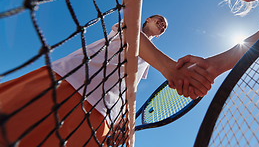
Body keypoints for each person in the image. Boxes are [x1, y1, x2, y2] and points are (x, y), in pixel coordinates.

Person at [0, 15, 213, 147]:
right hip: (68, 83)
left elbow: (130, 89)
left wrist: (122, 120)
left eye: (165, 26)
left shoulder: (146, 66)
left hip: (99, 118)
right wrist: (169, 67)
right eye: (160, 20)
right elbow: (132, 36)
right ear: (147, 19)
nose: (163, 24)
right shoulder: (129, 24)